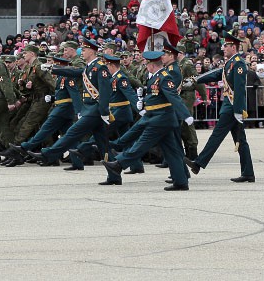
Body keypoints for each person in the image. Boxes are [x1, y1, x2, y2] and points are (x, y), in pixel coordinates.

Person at [102, 51, 193, 190]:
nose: (145, 66)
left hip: (162, 119)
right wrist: (143, 103)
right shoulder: (155, 77)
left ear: (151, 65)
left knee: (142, 144)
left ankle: (119, 164)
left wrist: (186, 115)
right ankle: (181, 181)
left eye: (147, 63)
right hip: (157, 117)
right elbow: (154, 97)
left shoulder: (164, 77)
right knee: (172, 151)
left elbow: (174, 97)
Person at [183, 31, 255, 183]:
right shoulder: (230, 63)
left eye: (226, 46)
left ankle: (199, 163)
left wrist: (238, 111)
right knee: (241, 141)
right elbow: (215, 75)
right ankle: (248, 172)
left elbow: (240, 89)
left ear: (233, 47)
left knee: (217, 135)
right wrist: (196, 80)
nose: (223, 48)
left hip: (232, 108)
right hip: (230, 106)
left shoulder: (239, 64)